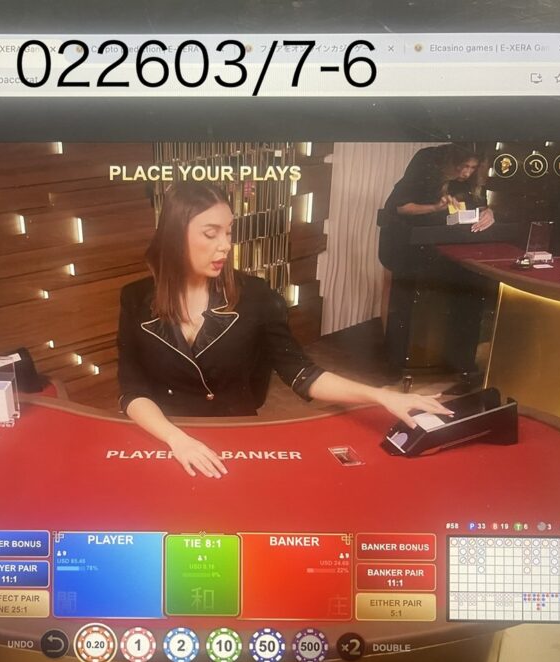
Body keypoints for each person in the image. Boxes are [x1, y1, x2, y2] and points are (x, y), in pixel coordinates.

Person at [117, 181, 452, 479]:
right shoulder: (134, 298)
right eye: (211, 233)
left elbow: (303, 373)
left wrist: (381, 395)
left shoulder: (255, 295)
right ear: (175, 236)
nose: (225, 245)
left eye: (229, 231)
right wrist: (176, 439)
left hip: (238, 435)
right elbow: (133, 391)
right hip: (168, 437)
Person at [377, 144, 496, 384]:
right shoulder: (426, 162)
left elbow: (478, 204)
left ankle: (459, 363)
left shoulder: (469, 180)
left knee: (466, 295)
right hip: (409, 246)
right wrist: (435, 207)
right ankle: (399, 364)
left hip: (446, 245)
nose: (466, 172)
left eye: (472, 168)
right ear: (451, 161)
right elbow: (401, 207)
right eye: (463, 166)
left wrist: (489, 212)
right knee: (409, 303)